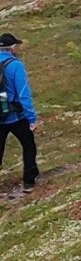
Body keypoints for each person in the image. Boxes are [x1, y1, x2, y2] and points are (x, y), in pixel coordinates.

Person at [0, 33, 39, 193]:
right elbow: (23, 94)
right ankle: (29, 181)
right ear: (13, 48)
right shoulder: (15, 65)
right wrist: (32, 119)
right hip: (15, 116)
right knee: (28, 145)